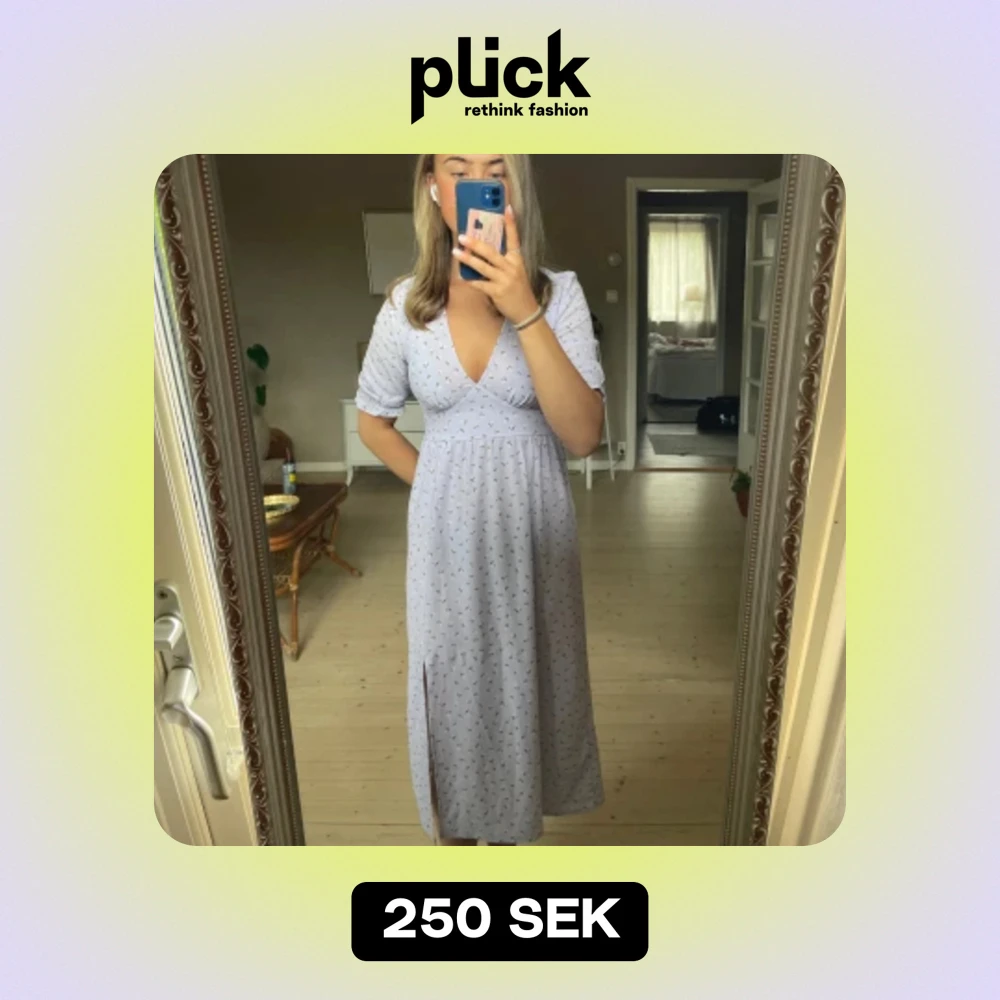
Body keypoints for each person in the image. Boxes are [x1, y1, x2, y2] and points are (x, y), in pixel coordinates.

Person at [355, 153, 605, 845]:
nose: (477, 185)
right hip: (445, 542)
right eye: (458, 168)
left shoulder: (559, 296)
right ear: (434, 190)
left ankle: (512, 837)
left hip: (534, 533)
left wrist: (525, 310)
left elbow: (584, 435)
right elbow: (373, 422)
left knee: (528, 677)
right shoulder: (406, 306)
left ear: (516, 189)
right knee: (451, 685)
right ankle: (461, 840)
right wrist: (436, 486)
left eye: (496, 169)